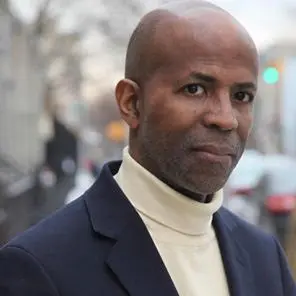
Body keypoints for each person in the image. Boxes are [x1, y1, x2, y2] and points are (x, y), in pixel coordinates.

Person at [1, 1, 295, 295]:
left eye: (241, 96)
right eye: (195, 89)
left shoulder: (265, 257)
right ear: (131, 103)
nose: (225, 118)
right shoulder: (40, 267)